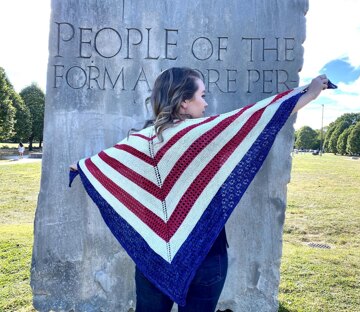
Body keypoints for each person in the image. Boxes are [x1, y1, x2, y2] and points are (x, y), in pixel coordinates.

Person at [69, 67, 332, 311]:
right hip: (207, 255)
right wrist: (309, 93)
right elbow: (261, 116)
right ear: (184, 101)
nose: (206, 103)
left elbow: (102, 163)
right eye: (202, 96)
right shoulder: (206, 133)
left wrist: (81, 167)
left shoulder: (140, 142)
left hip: (152, 258)